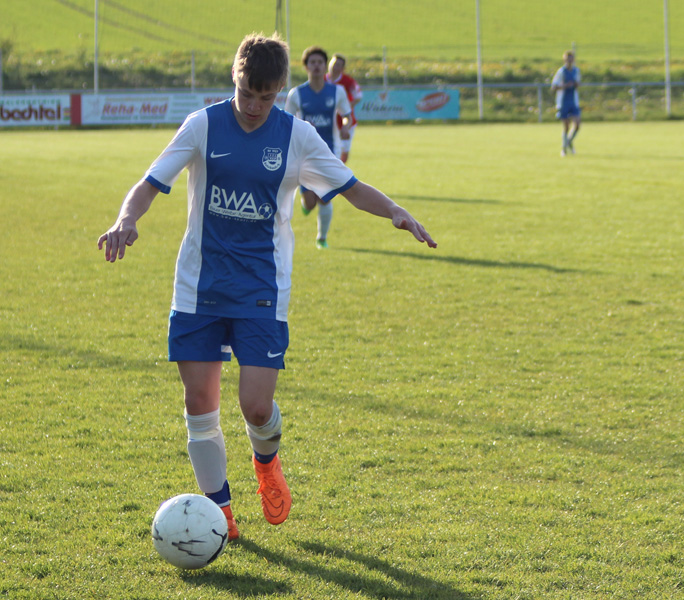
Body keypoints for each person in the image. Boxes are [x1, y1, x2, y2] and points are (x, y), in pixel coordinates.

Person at [97, 32, 436, 540]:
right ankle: (221, 516)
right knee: (199, 405)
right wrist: (126, 219)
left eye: (266, 96)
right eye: (246, 93)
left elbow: (348, 186)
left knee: (256, 407)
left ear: (280, 90)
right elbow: (149, 183)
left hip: (262, 288)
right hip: (199, 287)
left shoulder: (296, 136)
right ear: (234, 78)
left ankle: (266, 462)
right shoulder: (203, 125)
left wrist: (395, 210)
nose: (254, 106)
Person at [285, 45, 353, 249]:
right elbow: (287, 122)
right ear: (306, 66)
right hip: (304, 154)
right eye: (312, 62)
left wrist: (345, 126)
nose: (316, 66)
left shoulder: (337, 91)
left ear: (325, 66)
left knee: (325, 197)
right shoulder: (296, 94)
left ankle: (322, 238)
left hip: (329, 151)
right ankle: (306, 204)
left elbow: (347, 115)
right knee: (310, 202)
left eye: (320, 62)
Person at [327, 53, 363, 164]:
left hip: (346, 122)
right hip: (327, 122)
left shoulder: (348, 81)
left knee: (344, 151)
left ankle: (339, 171)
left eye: (338, 65)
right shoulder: (321, 80)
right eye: (333, 63)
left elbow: (358, 96)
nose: (334, 67)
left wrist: (345, 108)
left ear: (342, 68)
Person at [551, 50, 581, 157]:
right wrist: (564, 86)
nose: (570, 61)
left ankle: (568, 142)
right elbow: (554, 87)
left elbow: (578, 83)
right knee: (566, 126)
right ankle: (564, 149)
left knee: (577, 125)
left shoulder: (576, 71)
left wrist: (576, 84)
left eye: (571, 59)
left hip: (573, 101)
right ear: (565, 60)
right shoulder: (561, 71)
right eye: (568, 59)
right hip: (563, 102)